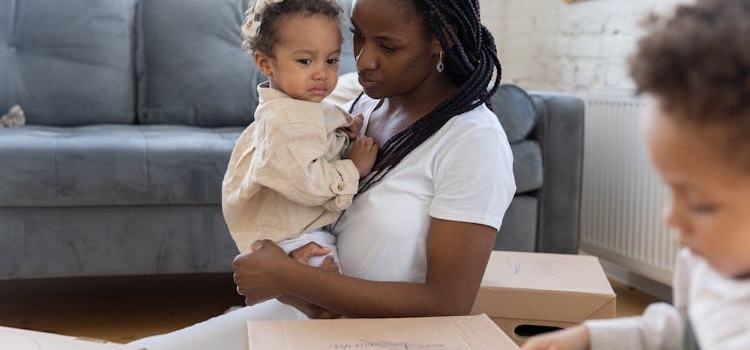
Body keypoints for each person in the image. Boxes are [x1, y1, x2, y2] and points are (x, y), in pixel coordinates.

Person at [129, 0, 515, 348]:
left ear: (444, 39)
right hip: (310, 315)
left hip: (378, 338)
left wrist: (291, 280)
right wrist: (294, 281)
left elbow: (447, 304)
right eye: (357, 37)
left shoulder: (472, 141)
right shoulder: (367, 102)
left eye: (388, 46)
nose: (363, 60)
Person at [521, 0, 750, 349]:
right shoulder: (704, 260)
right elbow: (685, 330)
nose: (670, 217)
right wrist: (590, 338)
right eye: (669, 190)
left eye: (701, 204)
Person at [221, 0, 378, 268]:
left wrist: (345, 126)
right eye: (305, 61)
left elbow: (320, 126)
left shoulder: (300, 106)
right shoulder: (285, 121)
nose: (321, 73)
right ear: (265, 63)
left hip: (300, 226)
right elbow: (303, 182)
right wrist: (352, 168)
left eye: (331, 60)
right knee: (329, 283)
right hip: (291, 235)